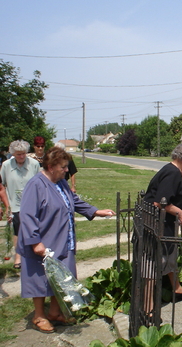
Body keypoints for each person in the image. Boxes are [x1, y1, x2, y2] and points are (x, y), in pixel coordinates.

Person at [16, 146, 115, 333]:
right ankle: (39, 316)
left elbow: (74, 201)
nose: (67, 170)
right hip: (43, 243)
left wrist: (95, 211)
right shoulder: (36, 184)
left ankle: (55, 313)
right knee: (39, 280)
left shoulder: (60, 183)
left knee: (62, 278)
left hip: (62, 240)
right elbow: (27, 215)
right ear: (51, 166)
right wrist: (35, 242)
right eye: (63, 167)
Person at [144, 141, 182, 302]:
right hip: (158, 225)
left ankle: (177, 289)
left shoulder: (169, 170)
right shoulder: (172, 173)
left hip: (161, 223)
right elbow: (160, 202)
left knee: (169, 256)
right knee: (157, 261)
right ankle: (149, 306)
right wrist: (180, 213)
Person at [1, 140, 40, 270]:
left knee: (33, 229)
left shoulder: (34, 164)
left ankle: (34, 254)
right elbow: (2, 186)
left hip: (32, 204)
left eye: (23, 154)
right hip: (15, 204)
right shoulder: (6, 165)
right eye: (18, 154)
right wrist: (7, 206)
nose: (21, 157)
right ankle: (18, 256)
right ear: (13, 154)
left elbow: (39, 184)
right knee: (17, 231)